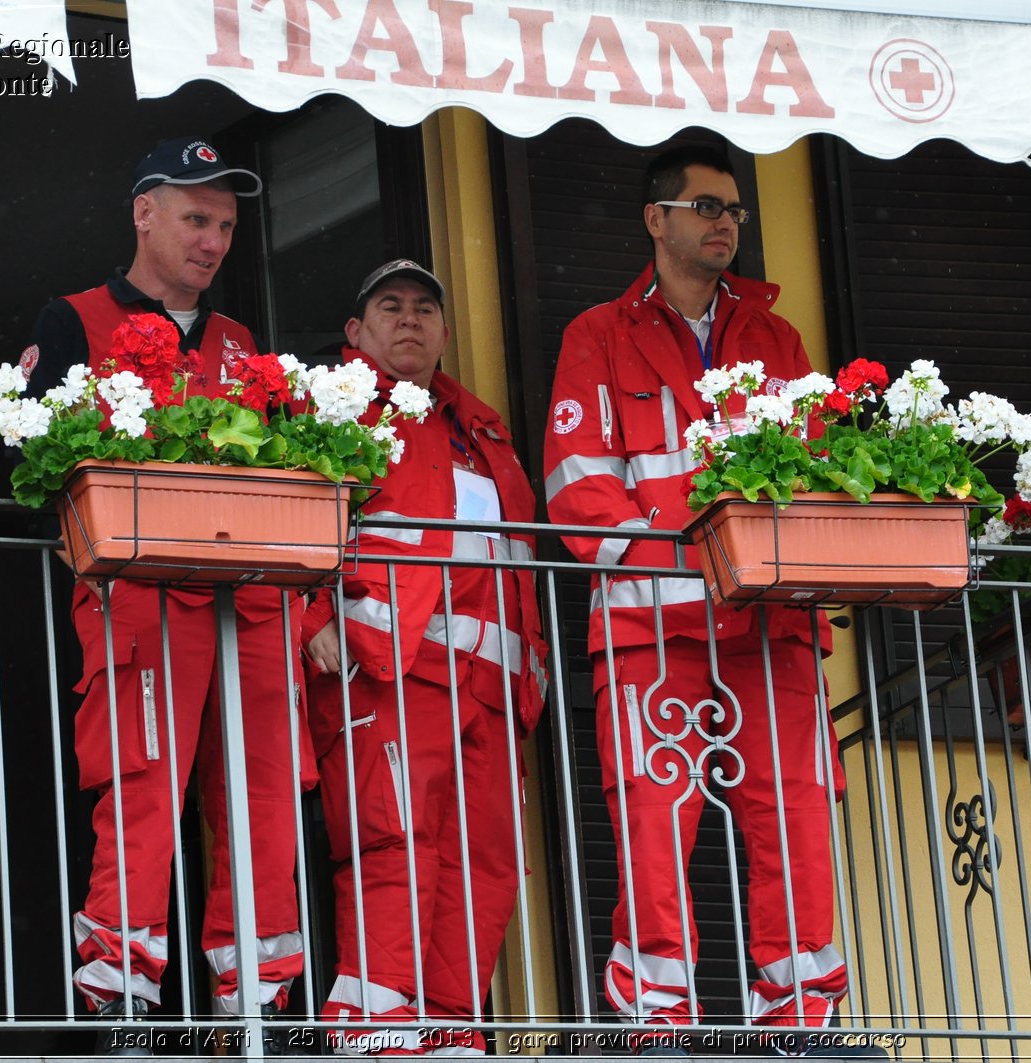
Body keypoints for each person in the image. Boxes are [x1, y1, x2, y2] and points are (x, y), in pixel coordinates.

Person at [542, 145, 883, 1058]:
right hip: (652, 628)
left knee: (798, 817)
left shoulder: (779, 343)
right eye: (703, 206)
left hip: (773, 626)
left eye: (733, 209)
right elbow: (578, 490)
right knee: (654, 823)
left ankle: (803, 1020)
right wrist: (702, 563)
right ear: (656, 221)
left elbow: (818, 481)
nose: (725, 221)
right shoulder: (597, 334)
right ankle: (657, 1019)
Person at [21, 137, 309, 1050]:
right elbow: (40, 463)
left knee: (264, 797)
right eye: (196, 217)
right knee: (140, 791)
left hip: (251, 599)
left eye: (225, 224)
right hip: (140, 593)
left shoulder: (242, 343)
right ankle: (121, 999)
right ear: (145, 214)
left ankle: (254, 1005)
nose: (214, 239)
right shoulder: (73, 318)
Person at [302, 259, 548, 1056]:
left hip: (487, 684)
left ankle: (448, 1027)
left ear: (445, 331)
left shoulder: (482, 428)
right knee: (395, 843)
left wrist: (531, 674)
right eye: (389, 305)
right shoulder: (331, 411)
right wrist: (310, 615)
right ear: (356, 331)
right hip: (388, 666)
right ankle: (374, 1028)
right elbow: (285, 515)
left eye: (424, 308)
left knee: (485, 861)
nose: (409, 319)